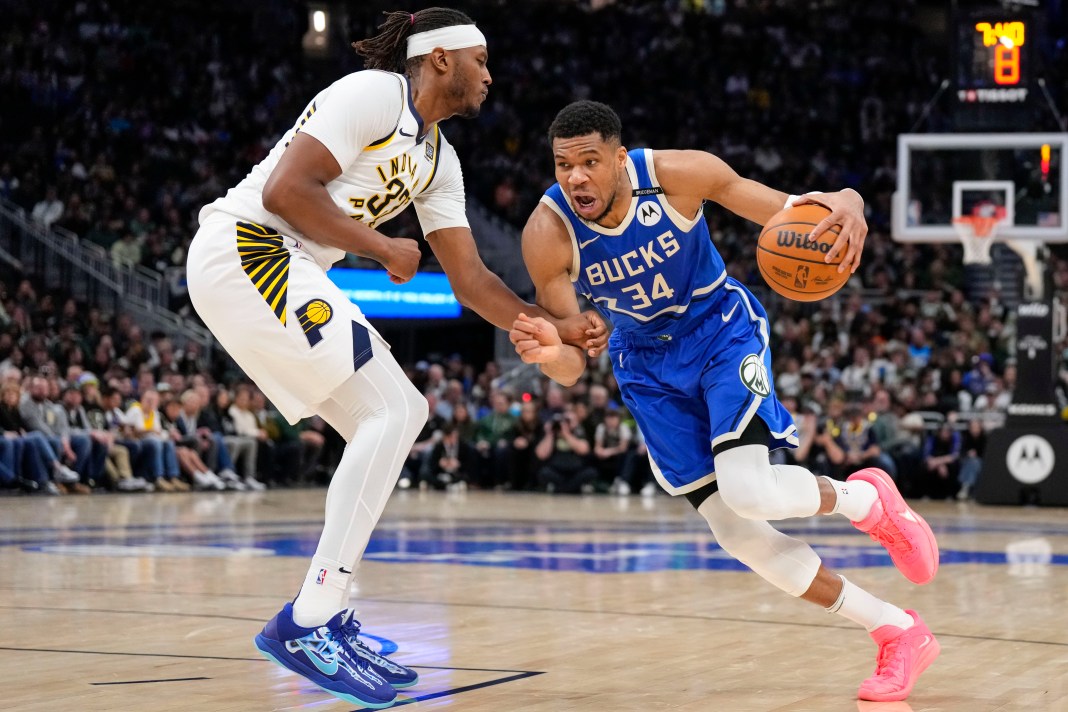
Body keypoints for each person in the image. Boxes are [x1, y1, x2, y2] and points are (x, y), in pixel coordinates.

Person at [185, 9, 604, 709]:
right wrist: (380, 248)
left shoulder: (440, 159)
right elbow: (283, 192)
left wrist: (555, 324)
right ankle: (310, 620)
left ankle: (328, 610)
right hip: (247, 247)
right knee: (399, 407)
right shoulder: (373, 94)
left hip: (285, 265)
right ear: (439, 59)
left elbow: (471, 281)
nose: (490, 74)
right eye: (480, 59)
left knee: (386, 422)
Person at [509, 100, 940, 703]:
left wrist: (852, 198)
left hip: (718, 331)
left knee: (750, 488)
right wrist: (547, 353)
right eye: (562, 165)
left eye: (589, 162)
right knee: (738, 535)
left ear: (618, 158)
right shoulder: (547, 234)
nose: (575, 177)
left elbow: (795, 212)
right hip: (644, 365)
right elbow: (574, 365)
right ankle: (897, 631)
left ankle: (868, 500)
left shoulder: (680, 175)